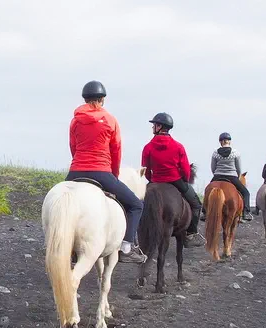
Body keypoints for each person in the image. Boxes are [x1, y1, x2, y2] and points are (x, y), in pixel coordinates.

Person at [66, 80, 146, 263]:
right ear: (102, 100)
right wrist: (114, 174)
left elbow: (73, 146)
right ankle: (127, 247)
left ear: (85, 100)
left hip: (76, 171)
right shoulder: (111, 120)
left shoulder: (75, 120)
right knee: (136, 205)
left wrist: (78, 164)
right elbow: (116, 149)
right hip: (102, 171)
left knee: (59, 201)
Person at [140, 112, 203, 247]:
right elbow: (185, 168)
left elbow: (145, 168)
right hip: (175, 180)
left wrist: (151, 180)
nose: (152, 128)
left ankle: (135, 236)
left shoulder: (148, 147)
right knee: (196, 204)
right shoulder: (178, 146)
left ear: (159, 126)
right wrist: (185, 180)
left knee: (137, 205)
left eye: (154, 125)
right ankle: (191, 233)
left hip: (156, 181)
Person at [210, 132, 252, 221]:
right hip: (232, 177)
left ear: (220, 142)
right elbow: (238, 168)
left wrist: (216, 174)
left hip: (217, 176)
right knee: (246, 193)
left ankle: (205, 212)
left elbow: (213, 167)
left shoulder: (215, 153)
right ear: (229, 141)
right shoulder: (235, 152)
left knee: (208, 191)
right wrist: (237, 176)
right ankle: (245, 213)